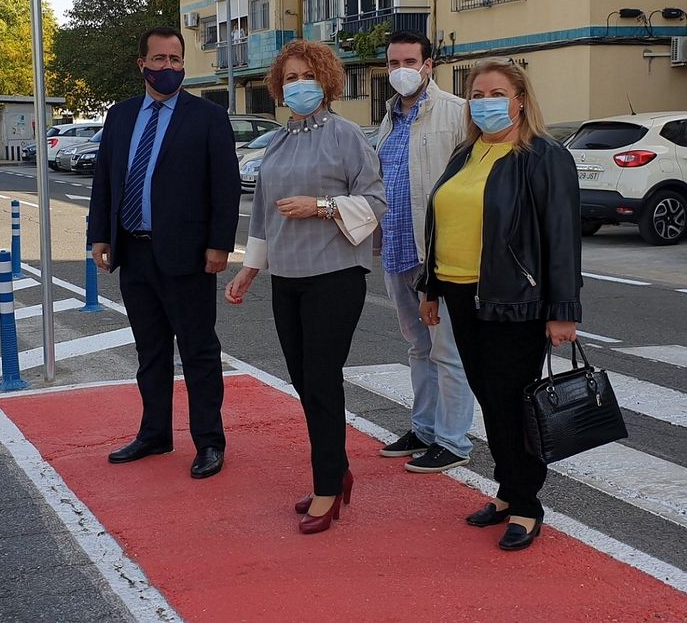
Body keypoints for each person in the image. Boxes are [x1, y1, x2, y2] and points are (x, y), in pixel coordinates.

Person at [418, 58, 582, 552]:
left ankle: (528, 504)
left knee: (514, 403)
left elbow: (561, 236)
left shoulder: (543, 156)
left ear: (520, 100)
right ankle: (509, 491)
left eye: (496, 93)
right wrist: (431, 288)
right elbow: (440, 222)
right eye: (477, 93)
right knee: (491, 401)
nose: (485, 101)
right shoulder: (466, 153)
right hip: (461, 294)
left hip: (516, 300)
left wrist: (563, 309)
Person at [224, 40, 386, 534]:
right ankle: (335, 472)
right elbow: (262, 214)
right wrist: (249, 268)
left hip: (334, 275)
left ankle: (327, 487)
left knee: (320, 379)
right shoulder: (278, 141)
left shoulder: (346, 135)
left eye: (305, 76)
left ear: (326, 80)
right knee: (302, 380)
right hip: (287, 276)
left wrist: (322, 205)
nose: (297, 85)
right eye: (289, 78)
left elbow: (376, 200)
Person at [88, 27, 242, 478]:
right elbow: (106, 180)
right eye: (159, 60)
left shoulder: (208, 117)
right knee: (150, 352)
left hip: (189, 256)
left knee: (198, 353)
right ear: (142, 64)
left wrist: (219, 245)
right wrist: (100, 234)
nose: (169, 68)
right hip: (133, 253)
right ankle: (154, 433)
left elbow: (226, 187)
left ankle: (209, 442)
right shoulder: (120, 116)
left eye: (176, 60)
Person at [372, 30, 474, 474]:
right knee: (418, 347)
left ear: (428, 65)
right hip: (396, 249)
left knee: (448, 350)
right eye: (393, 63)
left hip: (438, 253)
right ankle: (425, 428)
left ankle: (454, 440)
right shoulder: (388, 118)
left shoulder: (455, 113)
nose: (401, 71)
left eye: (409, 62)